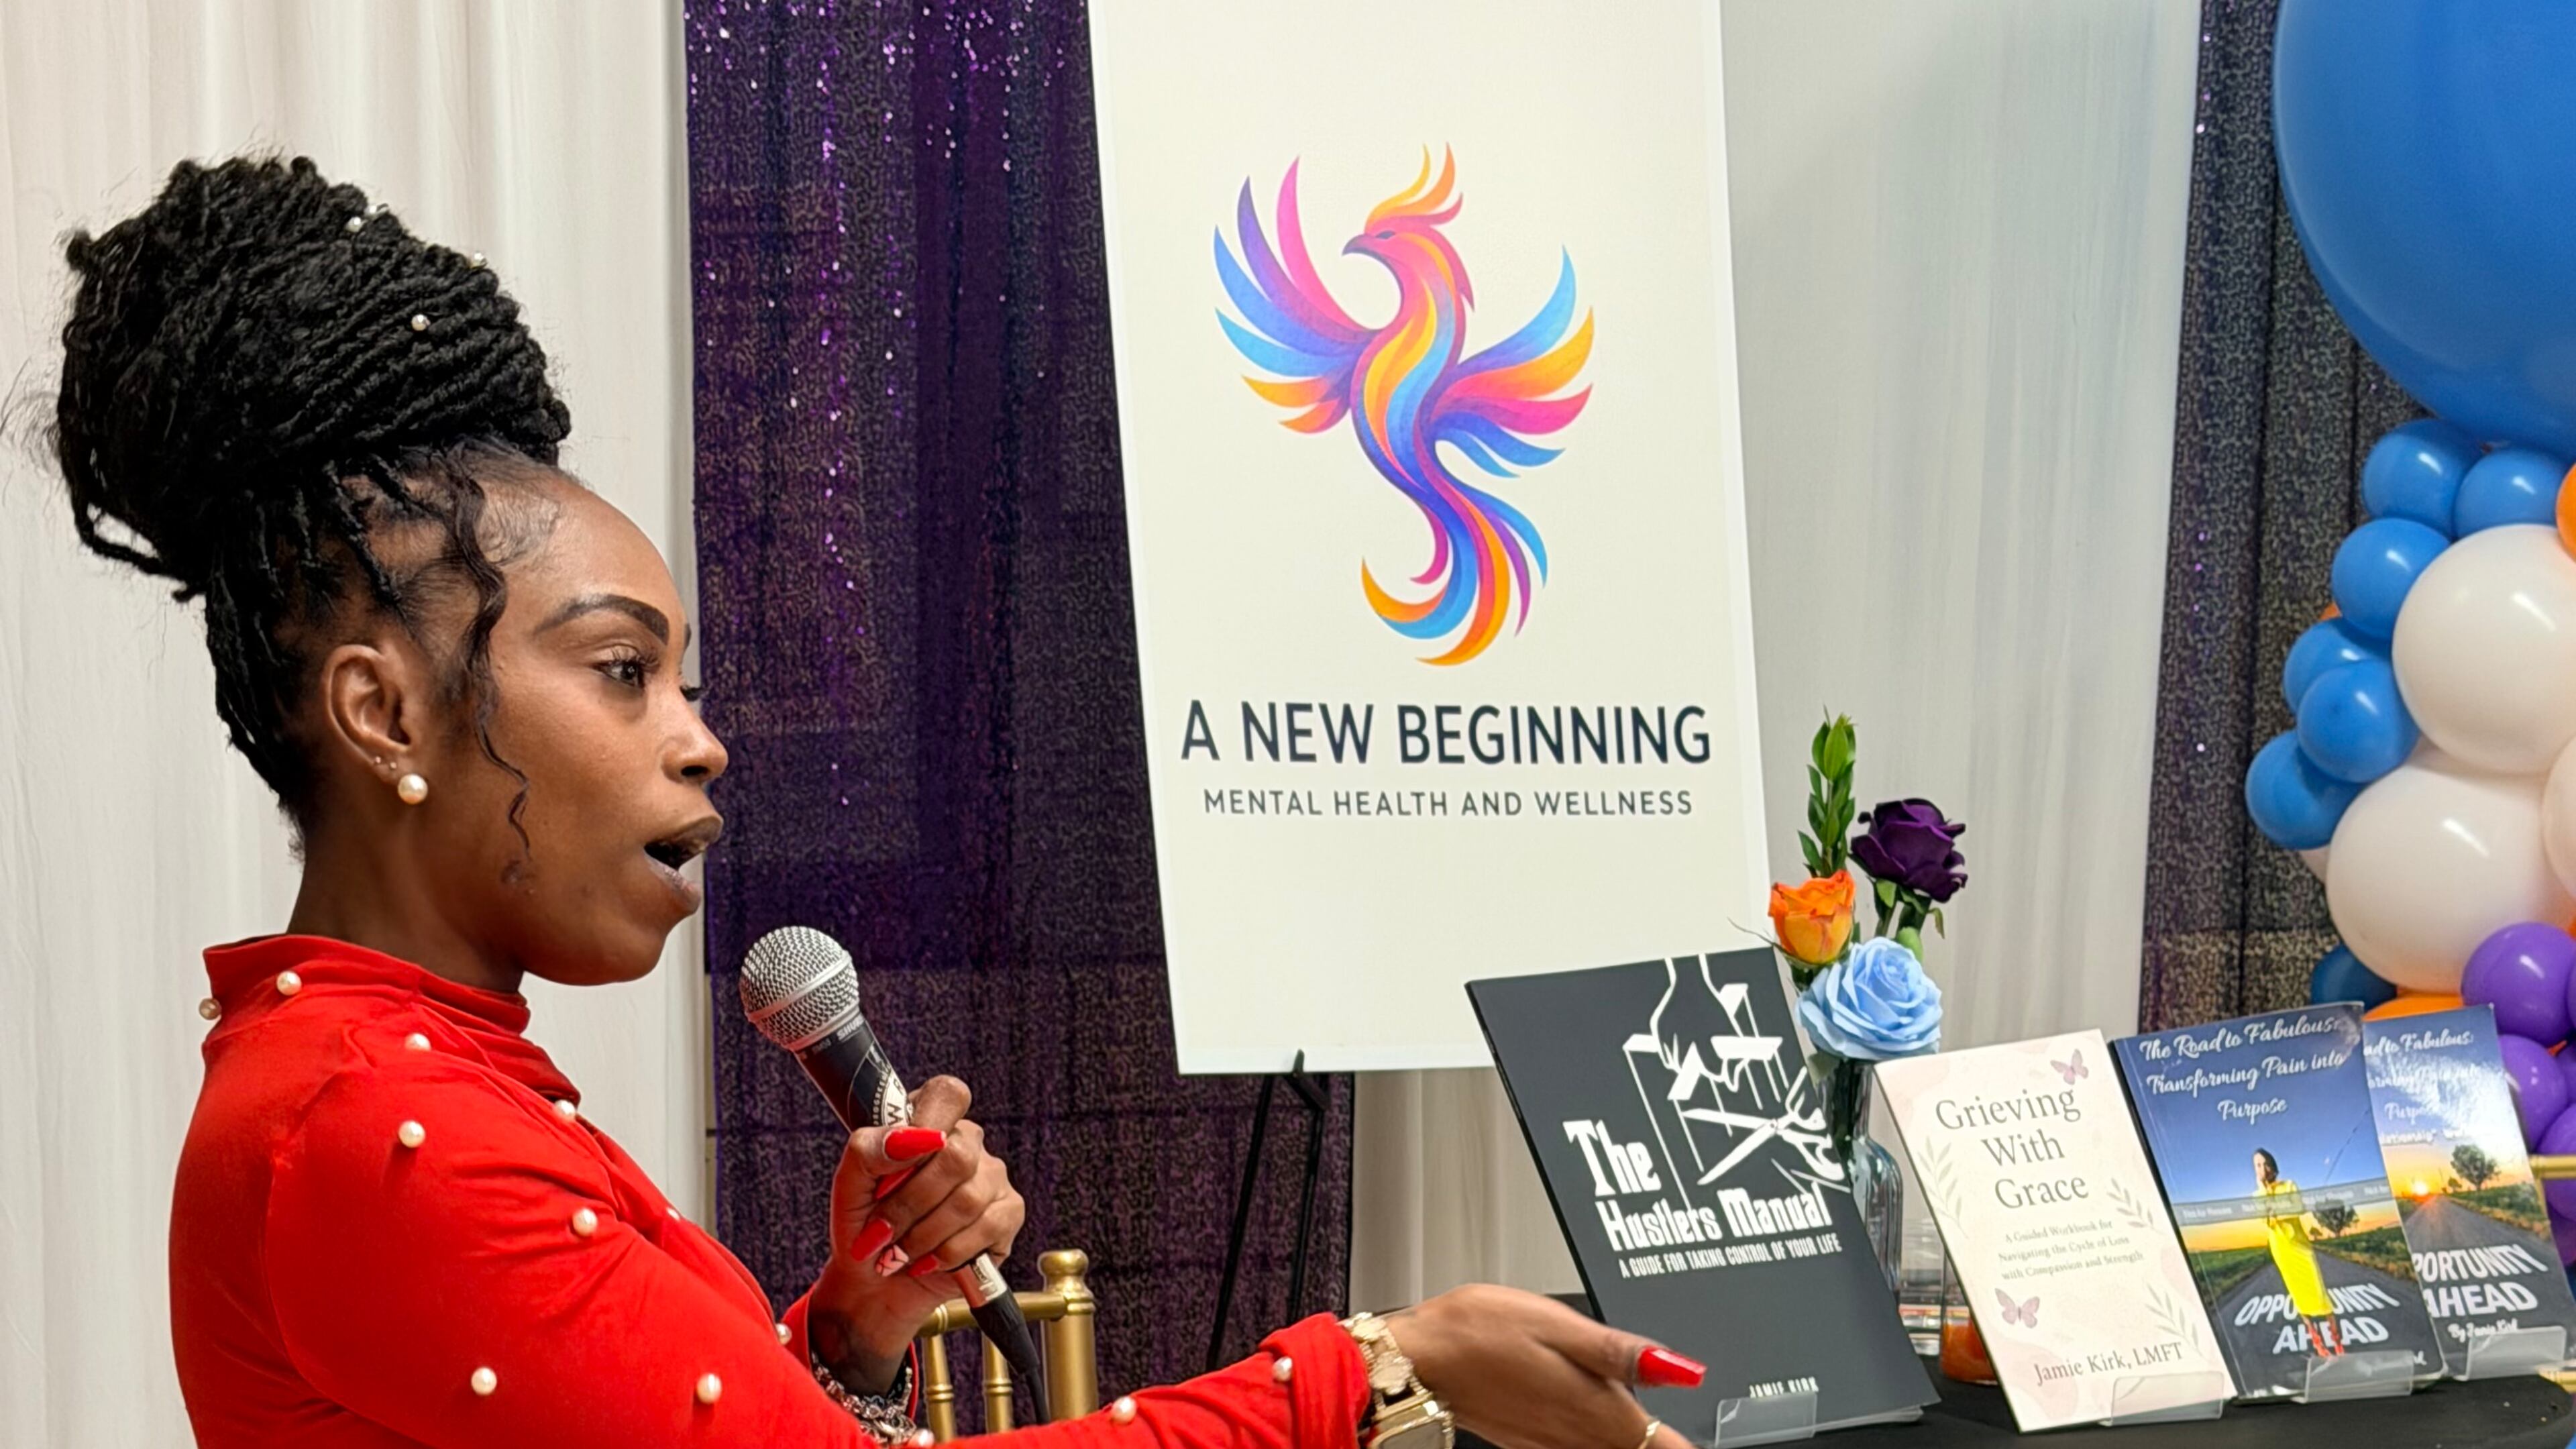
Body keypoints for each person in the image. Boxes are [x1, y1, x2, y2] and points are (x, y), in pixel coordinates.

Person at [49, 154, 1708, 1449]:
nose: (701, 742)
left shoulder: (389, 1078)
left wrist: (852, 1321)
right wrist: (1373, 1362)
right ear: (381, 708)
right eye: (625, 671)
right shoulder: (372, 1130)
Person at [2251, 1148, 2343, 1357]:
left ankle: (2337, 1341)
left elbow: (2297, 1208)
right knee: (2299, 1298)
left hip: (2300, 1246)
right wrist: (2265, 1192)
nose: (2261, 1169)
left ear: (2272, 1166)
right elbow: (2265, 1220)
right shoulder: (2257, 1195)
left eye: (2263, 1163)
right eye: (2256, 1165)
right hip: (2282, 1249)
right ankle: (2318, 1343)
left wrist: (2275, 1211)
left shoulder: (2289, 1185)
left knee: (2320, 1293)